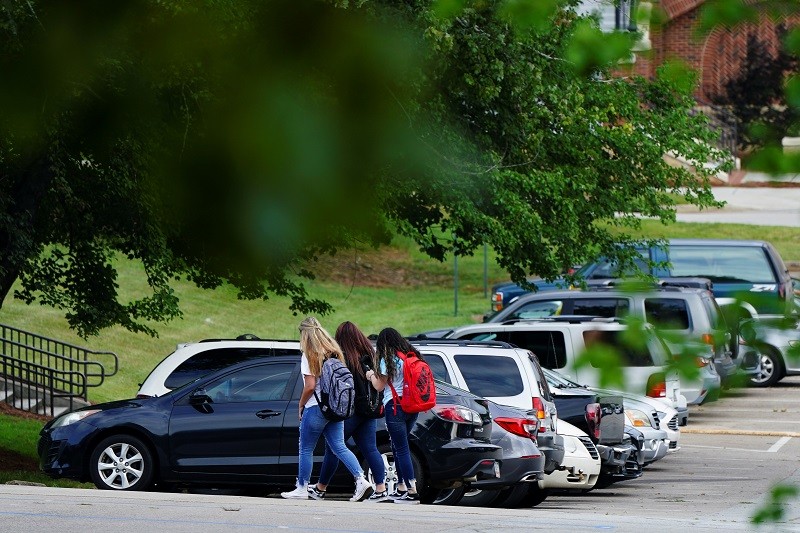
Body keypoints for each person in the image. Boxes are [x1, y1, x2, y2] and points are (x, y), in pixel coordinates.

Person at [280, 317, 374, 501]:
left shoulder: (309, 353)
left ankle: (301, 487)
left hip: (316, 407)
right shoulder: (334, 351)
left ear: (305, 334)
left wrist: (301, 404)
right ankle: (361, 480)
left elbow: (309, 385)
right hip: (335, 407)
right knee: (339, 446)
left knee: (306, 448)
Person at [309, 321, 389, 502]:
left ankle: (321, 488)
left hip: (350, 412)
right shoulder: (370, 355)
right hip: (368, 410)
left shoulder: (342, 357)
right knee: (370, 448)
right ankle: (381, 489)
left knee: (333, 448)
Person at [365, 327, 423, 504]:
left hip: (395, 407)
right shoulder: (411, 355)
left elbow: (379, 386)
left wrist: (370, 375)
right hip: (412, 407)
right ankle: (401, 488)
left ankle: (412, 491)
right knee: (398, 446)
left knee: (401, 448)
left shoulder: (387, 358)